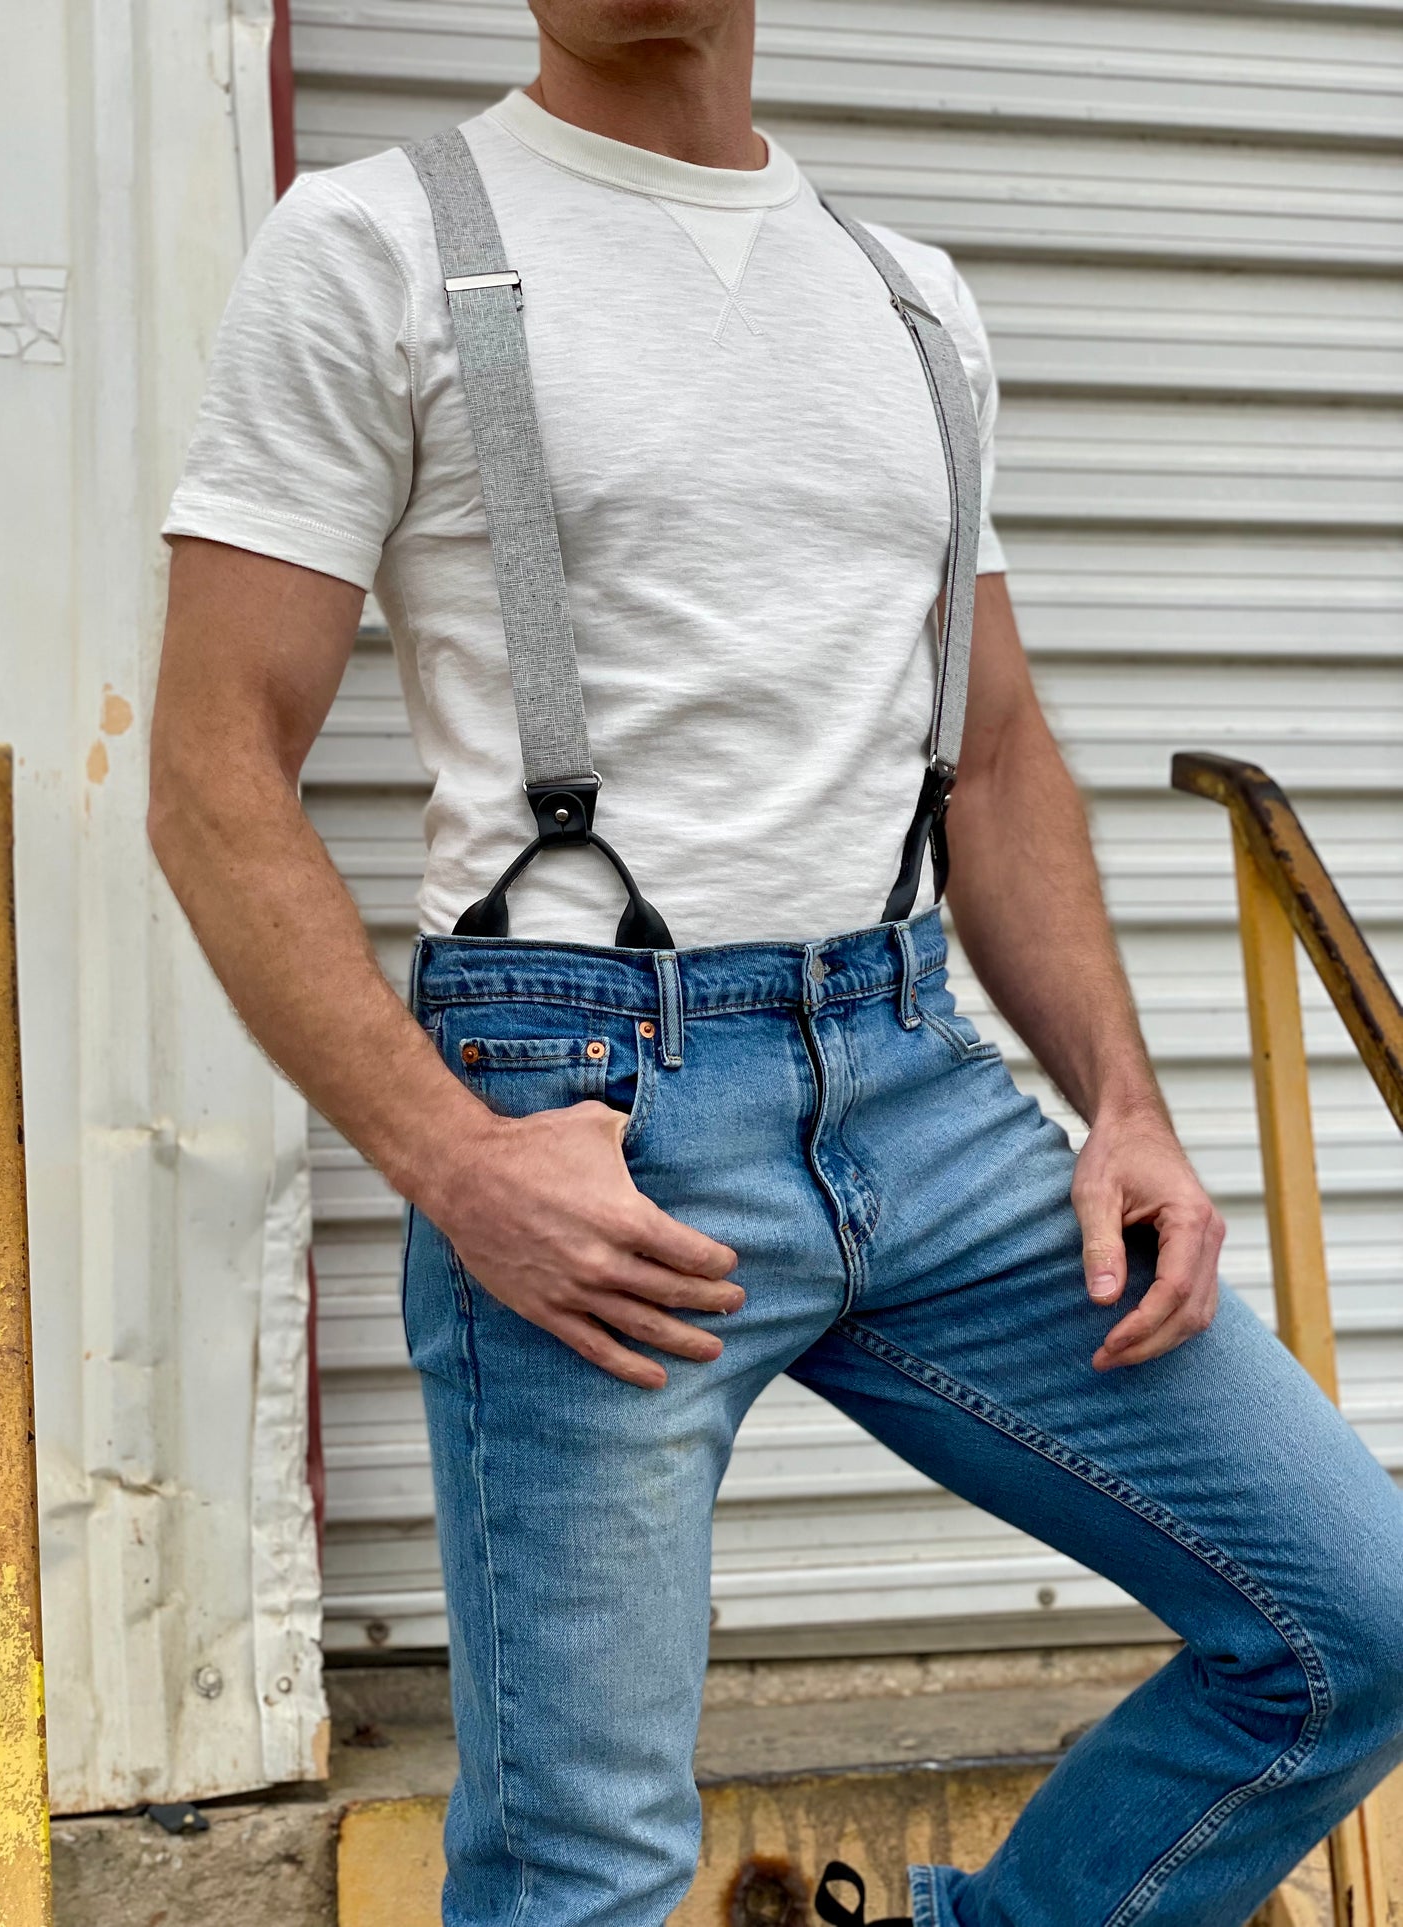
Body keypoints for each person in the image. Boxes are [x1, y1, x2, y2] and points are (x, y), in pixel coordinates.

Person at [148, 3, 1403, 1922]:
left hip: (918, 1085)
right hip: (585, 1119)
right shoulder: (379, 241)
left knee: (1350, 1629)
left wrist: (1122, 1107)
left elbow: (993, 751)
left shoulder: (906, 297)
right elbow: (210, 771)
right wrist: (452, 1157)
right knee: (584, 1873)